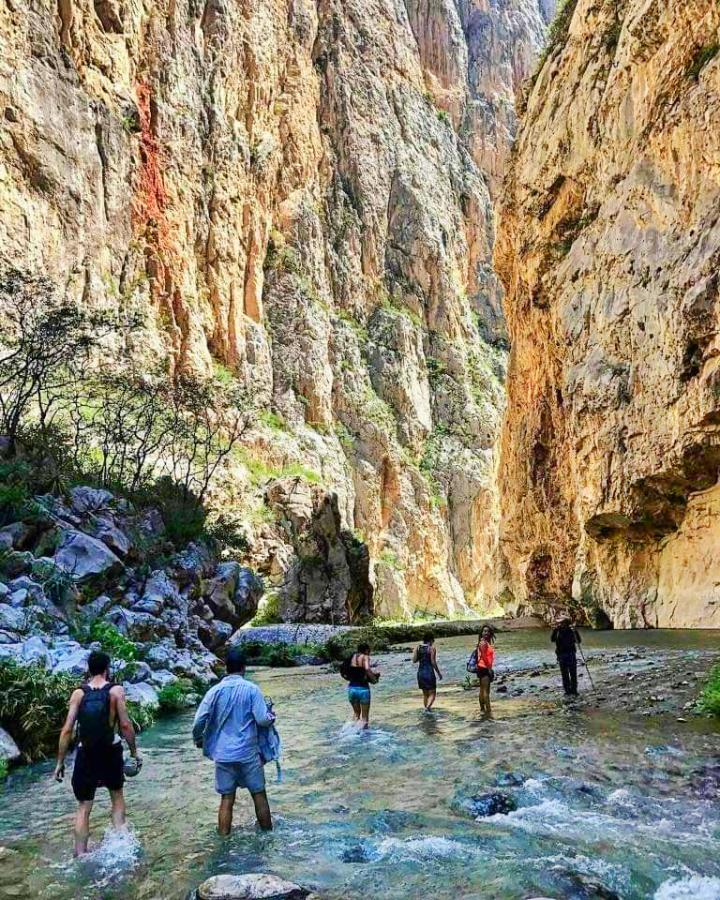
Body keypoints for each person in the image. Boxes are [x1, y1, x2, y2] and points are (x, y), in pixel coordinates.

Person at [54, 650, 141, 857]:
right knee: (117, 797)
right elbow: (126, 725)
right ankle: (122, 848)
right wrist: (134, 752)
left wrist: (59, 762)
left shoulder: (78, 693)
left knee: (84, 805)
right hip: (110, 750)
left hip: (86, 752)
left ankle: (80, 854)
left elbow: (67, 729)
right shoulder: (116, 691)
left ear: (88, 669)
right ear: (106, 669)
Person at [192, 647, 275, 834]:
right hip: (247, 753)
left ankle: (223, 840)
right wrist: (272, 717)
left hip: (223, 754)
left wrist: (199, 739)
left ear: (226, 668)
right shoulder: (252, 690)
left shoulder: (214, 691)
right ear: (244, 668)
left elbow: (198, 721)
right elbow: (262, 719)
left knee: (227, 798)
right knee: (259, 794)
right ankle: (267, 835)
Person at [342, 641, 380, 729]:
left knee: (356, 714)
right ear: (366, 650)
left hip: (351, 689)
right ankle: (364, 739)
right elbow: (367, 669)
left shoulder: (352, 657)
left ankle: (349, 732)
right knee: (364, 718)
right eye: (369, 650)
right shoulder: (365, 657)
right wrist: (374, 679)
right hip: (363, 690)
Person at [551, 615, 582, 696]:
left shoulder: (572, 631)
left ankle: (574, 690)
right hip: (561, 655)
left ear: (566, 623)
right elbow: (552, 640)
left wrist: (576, 632)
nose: (559, 624)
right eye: (559, 623)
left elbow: (578, 641)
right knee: (564, 674)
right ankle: (567, 690)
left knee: (572, 673)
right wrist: (554, 631)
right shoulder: (558, 631)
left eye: (561, 623)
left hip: (570, 654)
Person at [412, 632, 443, 710]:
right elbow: (433, 662)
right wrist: (439, 673)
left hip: (420, 673)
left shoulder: (418, 647)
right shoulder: (431, 649)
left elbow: (414, 660)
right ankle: (427, 708)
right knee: (433, 693)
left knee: (425, 694)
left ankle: (426, 709)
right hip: (429, 672)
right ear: (431, 640)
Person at [474, 625, 496, 717]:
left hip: (481, 667)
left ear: (490, 633)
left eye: (488, 631)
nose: (486, 633)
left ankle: (483, 709)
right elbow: (483, 656)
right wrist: (489, 668)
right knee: (486, 691)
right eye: (484, 631)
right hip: (484, 668)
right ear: (481, 633)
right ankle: (488, 711)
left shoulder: (484, 642)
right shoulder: (483, 643)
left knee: (482, 690)